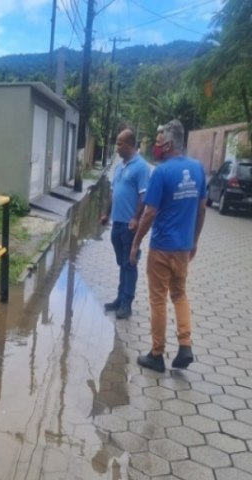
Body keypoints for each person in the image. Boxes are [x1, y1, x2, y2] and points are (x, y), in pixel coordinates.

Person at [129, 119, 207, 373]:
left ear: (171, 143)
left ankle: (157, 354)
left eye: (160, 139)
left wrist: (135, 243)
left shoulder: (161, 172)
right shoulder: (198, 169)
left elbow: (150, 213)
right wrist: (194, 241)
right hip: (183, 248)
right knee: (180, 294)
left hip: (162, 247)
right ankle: (185, 345)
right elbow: (202, 208)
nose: (157, 144)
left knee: (158, 300)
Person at [100, 128, 150, 319]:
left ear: (129, 144)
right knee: (122, 263)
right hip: (116, 224)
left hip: (130, 226)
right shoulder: (119, 167)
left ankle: (126, 303)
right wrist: (106, 214)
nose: (117, 147)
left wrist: (136, 218)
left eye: (119, 143)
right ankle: (120, 298)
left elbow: (144, 197)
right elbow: (113, 193)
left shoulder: (141, 167)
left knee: (130, 263)